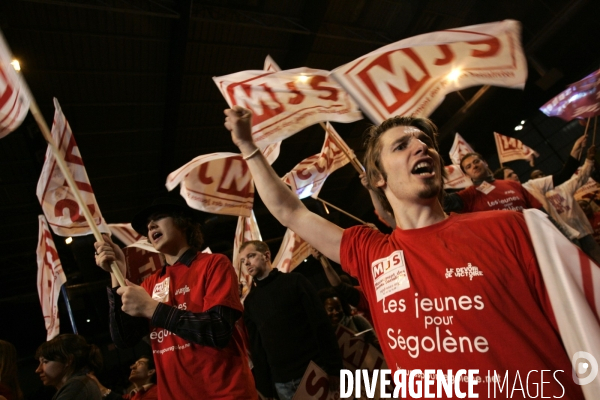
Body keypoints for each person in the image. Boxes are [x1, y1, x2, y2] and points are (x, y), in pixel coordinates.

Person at [224, 106, 583, 397]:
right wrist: (247, 146)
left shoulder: (515, 227)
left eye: (425, 142)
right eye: (401, 145)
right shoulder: (368, 251)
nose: (422, 147)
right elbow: (290, 210)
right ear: (378, 177)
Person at [94, 197, 256, 399]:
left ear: (184, 222)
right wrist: (116, 271)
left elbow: (218, 330)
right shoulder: (150, 284)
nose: (151, 225)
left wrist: (153, 309)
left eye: (159, 217)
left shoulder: (214, 263)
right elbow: (124, 339)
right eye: (148, 224)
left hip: (224, 393)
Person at [239, 240, 342, 400]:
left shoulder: (295, 281)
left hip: (316, 372)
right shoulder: (250, 303)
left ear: (266, 255)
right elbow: (258, 349)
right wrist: (266, 390)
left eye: (250, 256)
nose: (247, 263)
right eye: (243, 261)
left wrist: (334, 368)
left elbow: (321, 325)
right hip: (282, 385)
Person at [444, 152, 543, 213]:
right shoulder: (469, 196)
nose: (474, 166)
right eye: (468, 167)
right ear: (467, 175)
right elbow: (444, 203)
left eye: (476, 161)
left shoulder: (513, 185)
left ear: (485, 162)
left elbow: (540, 212)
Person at [35, 334, 102, 400]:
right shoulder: (77, 384)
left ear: (68, 360)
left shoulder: (76, 385)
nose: (38, 370)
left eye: (45, 362)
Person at [88, 356, 157, 400]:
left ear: (150, 371)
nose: (132, 367)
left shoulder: (157, 391)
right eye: (135, 364)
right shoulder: (130, 396)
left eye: (140, 364)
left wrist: (100, 387)